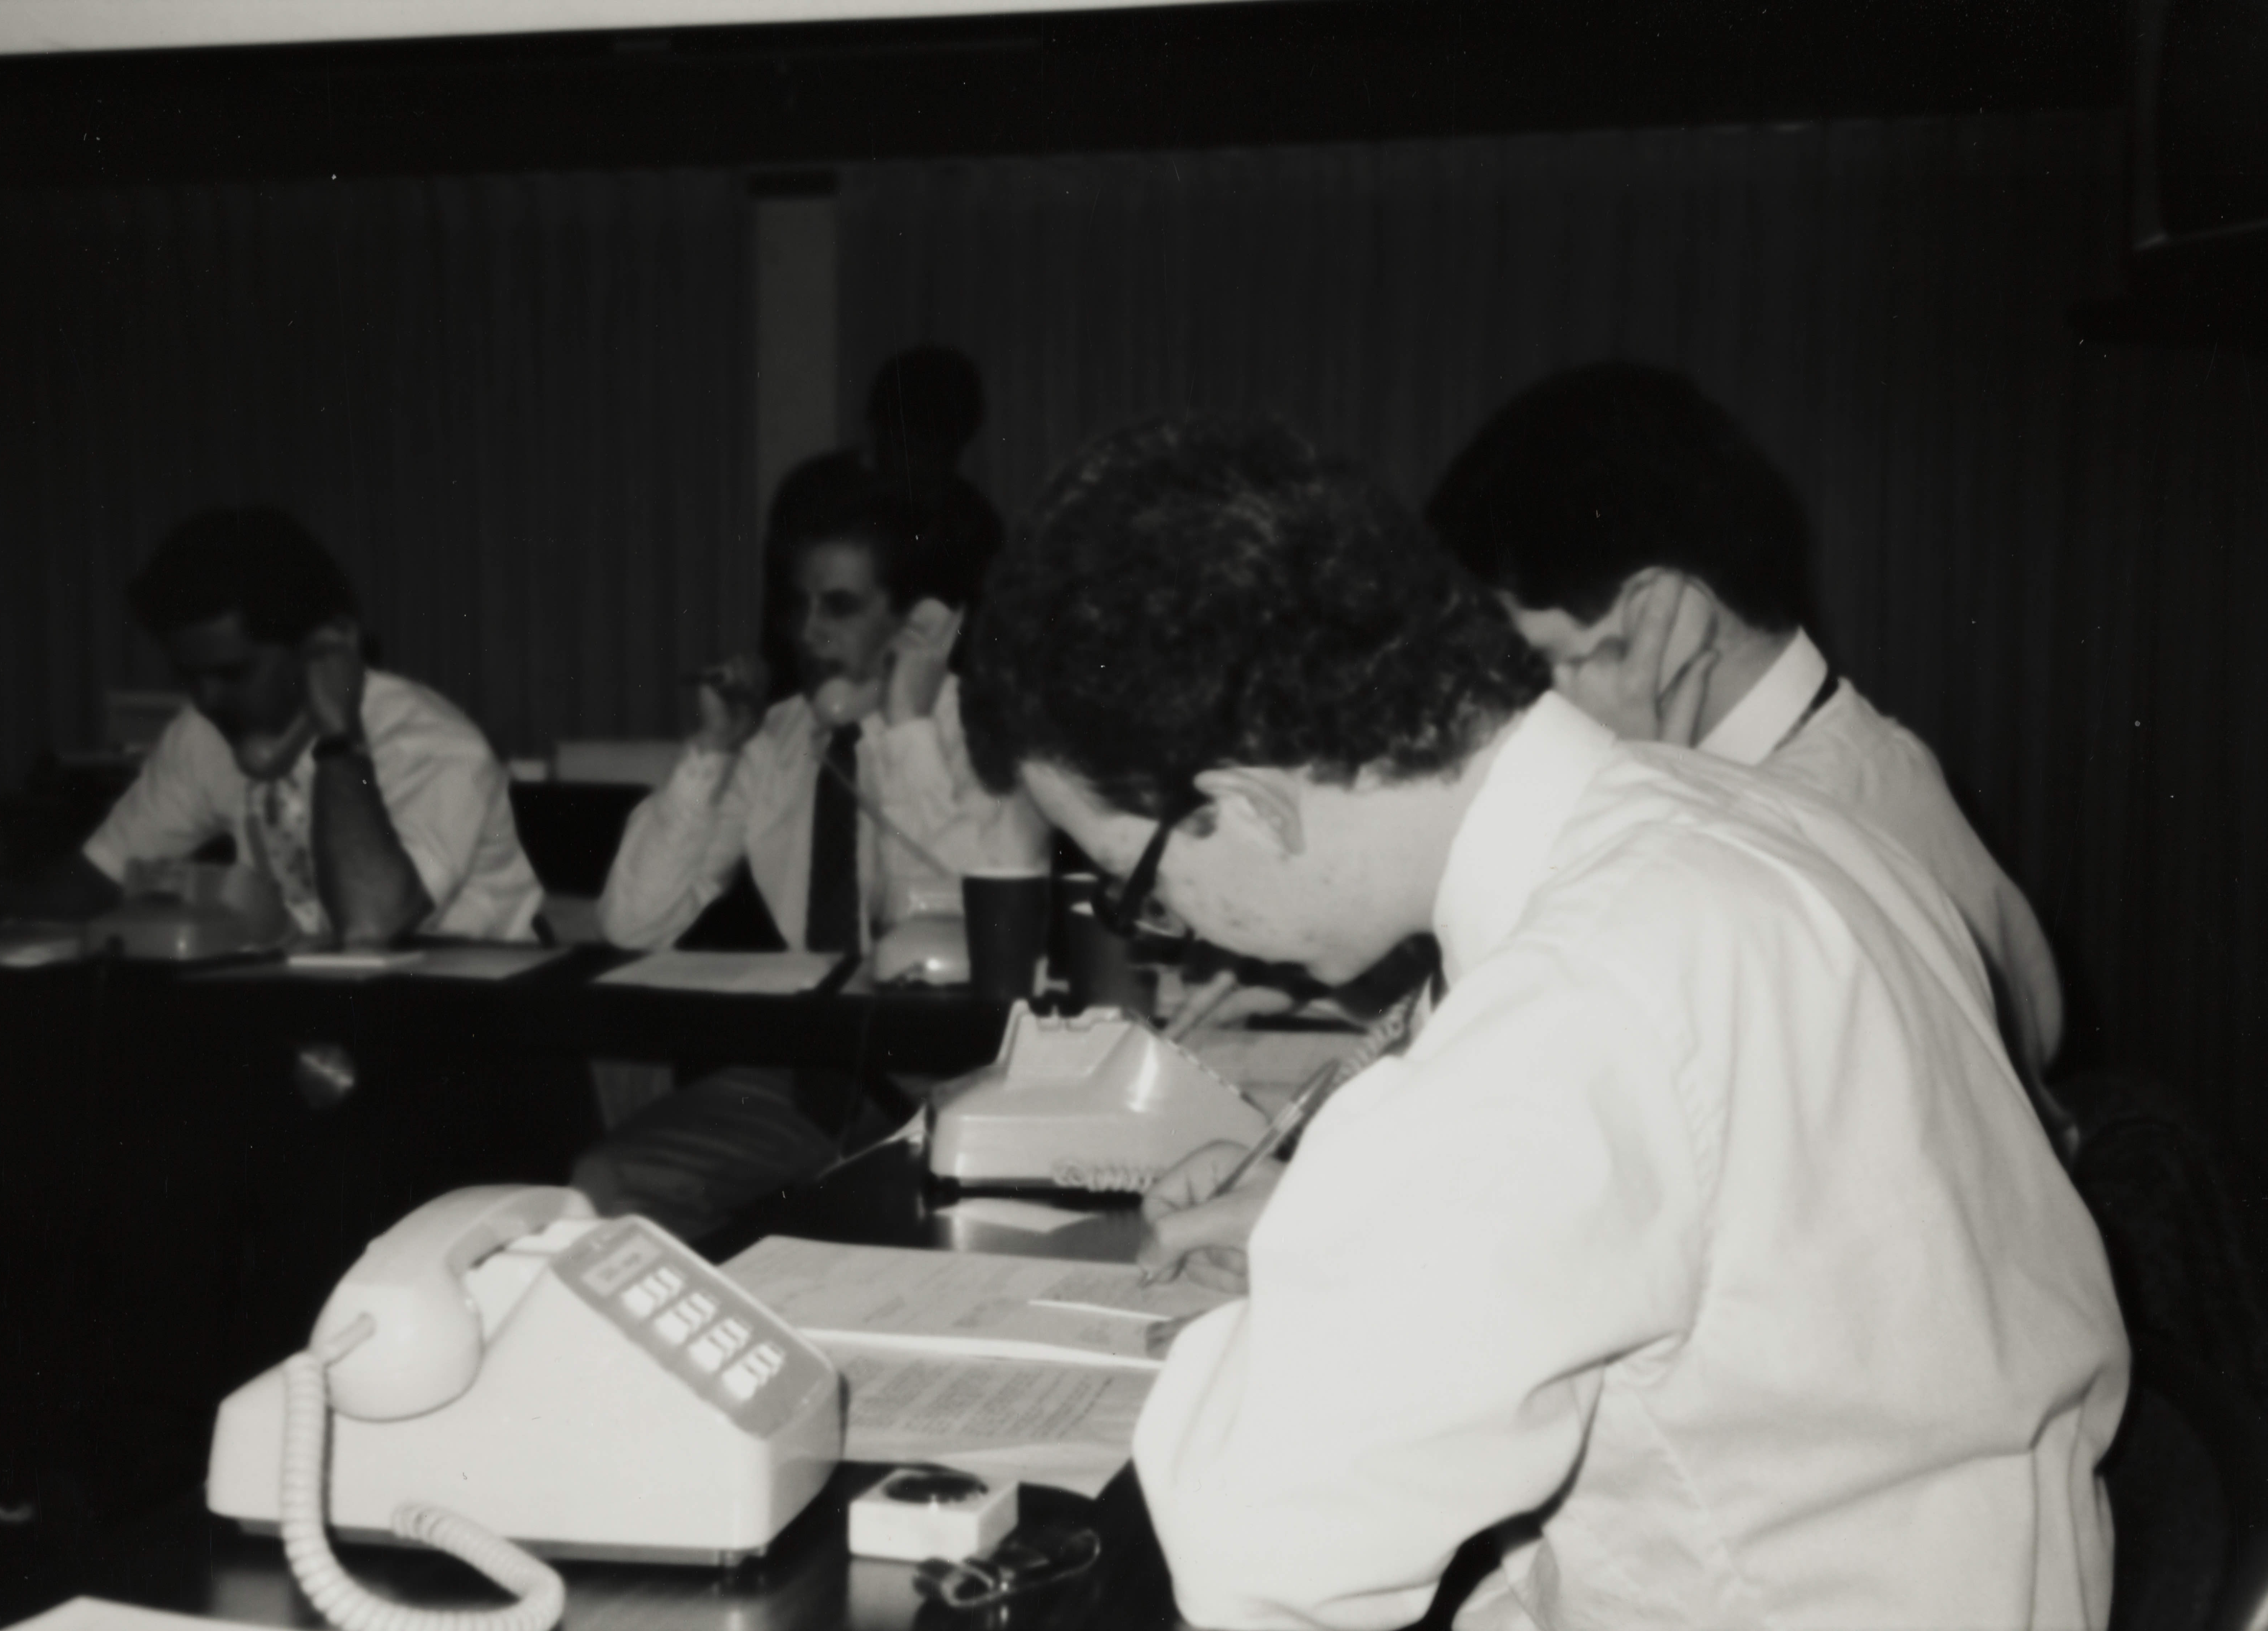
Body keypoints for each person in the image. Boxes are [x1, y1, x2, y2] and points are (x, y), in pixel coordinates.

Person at [960, 416, 2126, 1630]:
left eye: (1134, 879)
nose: (1172, 928)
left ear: (1248, 803)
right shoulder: (1739, 820)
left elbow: (1263, 1557)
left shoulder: (1571, 995)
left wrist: (1299, 1296)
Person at [1426, 360, 2066, 1101]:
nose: (1512, 714)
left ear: (1665, 619)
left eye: (1535, 663)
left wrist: (1622, 814)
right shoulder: (1865, 759)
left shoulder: (1793, 846)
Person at [581, 487, 1045, 1239]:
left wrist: (904, 727)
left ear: (916, 619)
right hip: (811, 1078)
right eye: (798, 605)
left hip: (958, 1084)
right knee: (608, 1185)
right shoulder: (776, 740)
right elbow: (631, 921)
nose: (807, 632)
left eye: (839, 606)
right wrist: (712, 754)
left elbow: (966, 922)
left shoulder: (993, 733)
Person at [3, 507, 540, 944]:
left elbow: (370, 922)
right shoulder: (201, 735)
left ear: (329, 642)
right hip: (310, 1013)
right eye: (189, 676)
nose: (207, 699)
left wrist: (338, 738)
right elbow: (101, 876)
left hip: (469, 1026)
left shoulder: (435, 747)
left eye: (233, 673)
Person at [760, 346, 1005, 698]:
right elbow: (784, 631)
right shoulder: (812, 495)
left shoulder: (973, 523)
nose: (925, 468)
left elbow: (976, 648)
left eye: (944, 452)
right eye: (913, 447)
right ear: (880, 430)